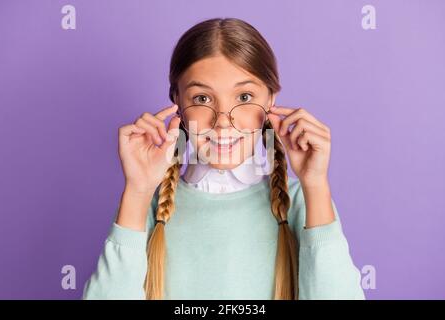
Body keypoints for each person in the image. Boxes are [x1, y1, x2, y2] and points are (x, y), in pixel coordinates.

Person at [83, 17, 365, 300]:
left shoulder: (301, 202)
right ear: (177, 102)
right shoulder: (148, 204)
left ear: (270, 101)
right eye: (202, 99)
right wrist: (137, 190)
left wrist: (315, 184)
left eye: (244, 97)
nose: (223, 122)